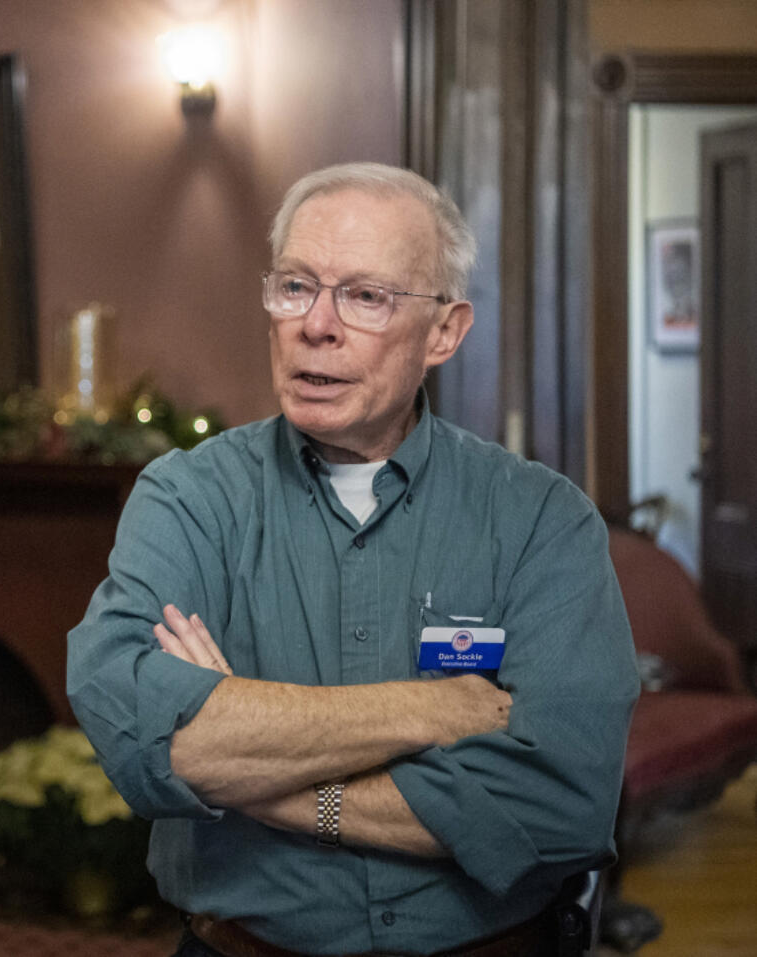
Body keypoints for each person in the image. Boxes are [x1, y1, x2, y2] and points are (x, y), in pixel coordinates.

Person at [67, 162, 639, 957]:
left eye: (366, 296)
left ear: (444, 331)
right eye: (297, 285)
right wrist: (432, 709)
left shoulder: (542, 518)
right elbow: (140, 735)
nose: (317, 324)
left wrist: (252, 771)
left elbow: (561, 801)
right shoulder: (187, 498)